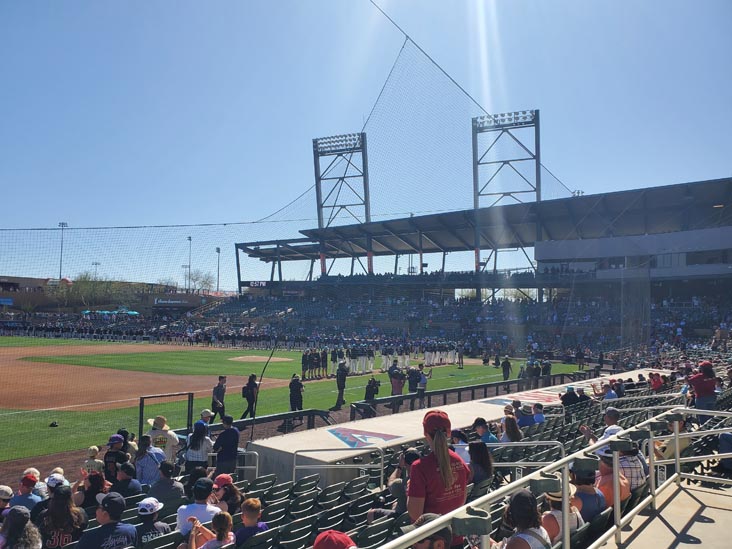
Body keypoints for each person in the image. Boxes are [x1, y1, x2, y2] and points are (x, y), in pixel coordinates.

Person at [408, 410, 469, 547]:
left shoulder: (419, 468)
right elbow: (461, 500)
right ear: (448, 433)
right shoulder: (459, 461)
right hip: (456, 537)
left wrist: (409, 491)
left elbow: (415, 514)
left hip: (432, 541)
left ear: (425, 434)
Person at [367, 447, 420, 523]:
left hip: (404, 518)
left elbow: (390, 483)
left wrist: (399, 466)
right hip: (413, 514)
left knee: (371, 513)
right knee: (395, 504)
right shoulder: (423, 475)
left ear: (404, 461)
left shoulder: (404, 483)